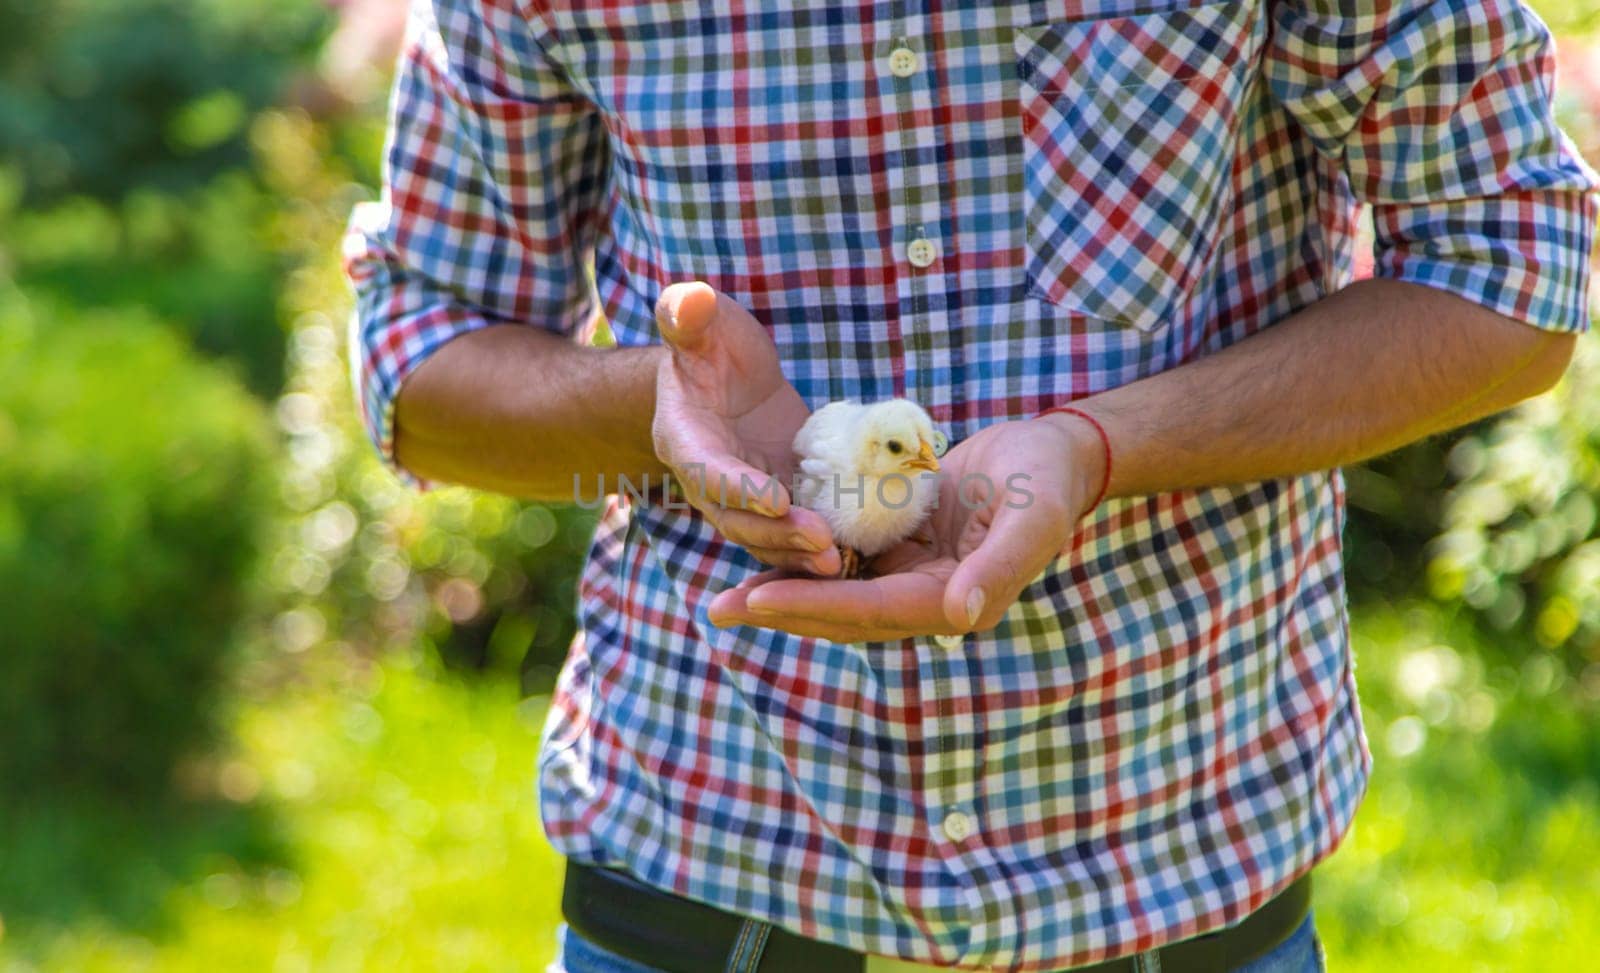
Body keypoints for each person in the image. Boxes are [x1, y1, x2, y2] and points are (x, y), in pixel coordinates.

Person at [344, 1, 1597, 970]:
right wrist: (657, 410)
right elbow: (418, 357)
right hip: (703, 857)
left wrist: (1101, 445)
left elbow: (1510, 267)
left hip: (1177, 865)